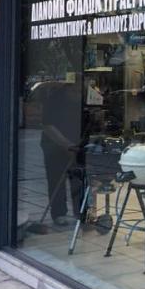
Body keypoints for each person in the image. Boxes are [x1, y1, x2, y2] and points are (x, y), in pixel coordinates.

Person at [37, 78, 87, 225]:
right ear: (68, 88)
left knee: (78, 179)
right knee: (56, 179)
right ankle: (59, 214)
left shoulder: (82, 101)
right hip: (54, 145)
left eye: (81, 92)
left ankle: (81, 213)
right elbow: (47, 126)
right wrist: (67, 145)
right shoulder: (54, 100)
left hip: (76, 144)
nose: (79, 95)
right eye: (76, 91)